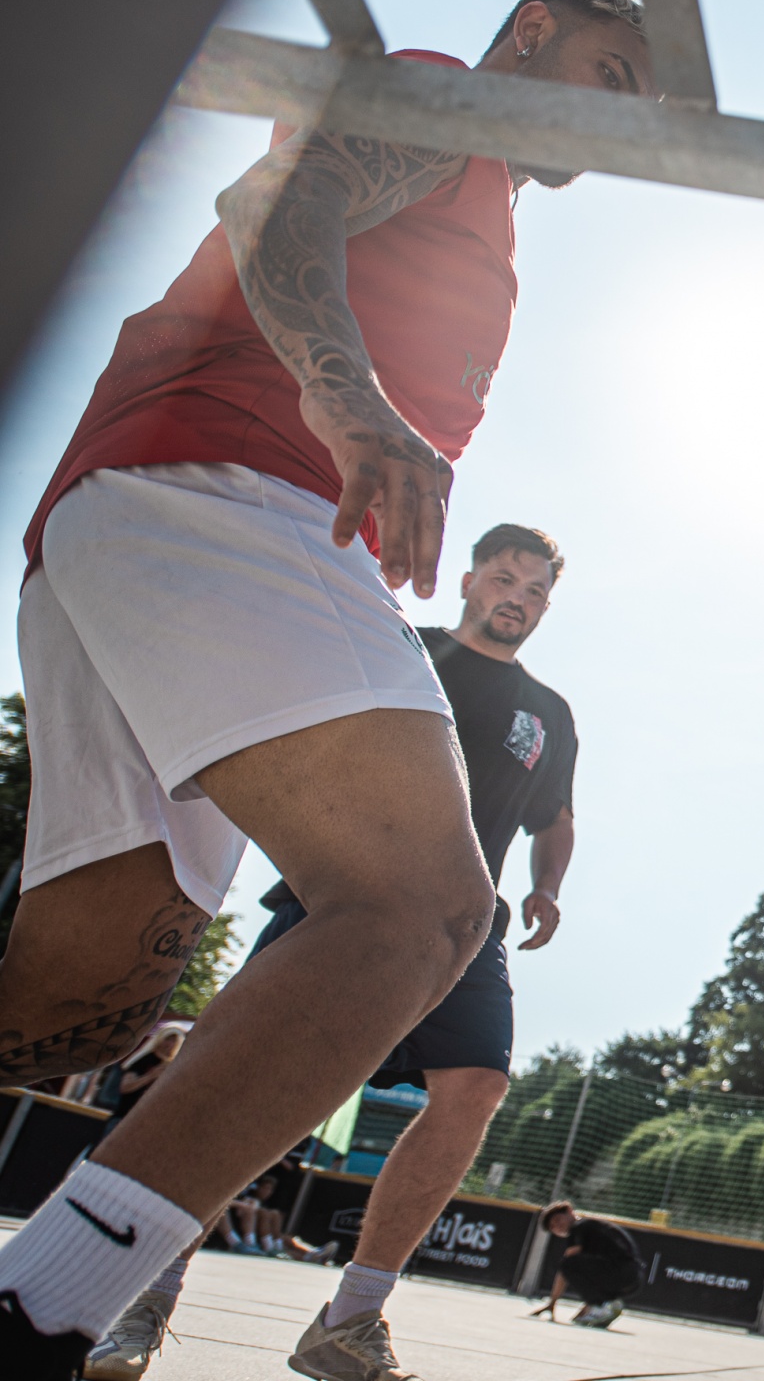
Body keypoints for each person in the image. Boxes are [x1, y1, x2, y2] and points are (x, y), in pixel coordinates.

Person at [0, 0, 650, 1380]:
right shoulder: (444, 104)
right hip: (227, 489)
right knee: (423, 909)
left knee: (84, 1003)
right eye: (612, 73)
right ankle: (44, 1312)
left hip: (128, 521)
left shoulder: (486, 209)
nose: (623, 116)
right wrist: (350, 405)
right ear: (534, 30)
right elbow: (277, 204)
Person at [90, 524, 579, 1377]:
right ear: (469, 581)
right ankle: (144, 1294)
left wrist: (548, 886)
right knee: (243, 1076)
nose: (519, 598)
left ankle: (349, 1321)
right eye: (506, 578)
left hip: (463, 922)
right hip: (343, 894)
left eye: (536, 590)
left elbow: (557, 818)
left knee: (476, 1087)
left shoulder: (550, 713)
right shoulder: (399, 648)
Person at [532, 1202, 643, 1328]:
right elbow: (593, 1274)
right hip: (633, 1279)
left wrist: (552, 1303)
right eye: (553, 1227)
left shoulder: (578, 1227)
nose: (558, 1226)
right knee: (579, 1266)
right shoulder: (593, 1227)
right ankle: (604, 1306)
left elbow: (566, 1268)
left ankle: (603, 1305)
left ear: (569, 1211)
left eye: (557, 1219)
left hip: (620, 1272)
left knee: (569, 1264)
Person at [97, 1026, 186, 1138]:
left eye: (174, 1041)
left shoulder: (172, 1067)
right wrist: (149, 1076)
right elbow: (125, 1087)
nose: (170, 1044)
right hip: (123, 1120)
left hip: (146, 1125)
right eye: (168, 1039)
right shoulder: (144, 1060)